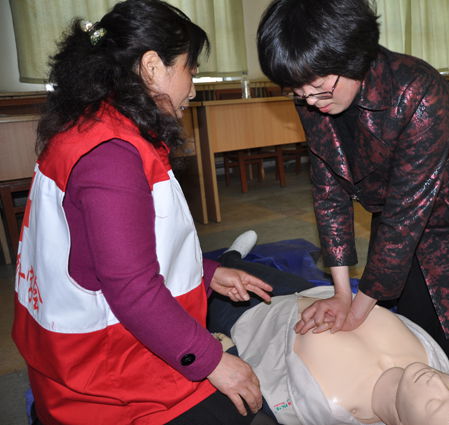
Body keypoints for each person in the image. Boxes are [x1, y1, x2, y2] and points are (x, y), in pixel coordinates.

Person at [11, 2, 292, 424]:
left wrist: (207, 273)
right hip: (105, 386)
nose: (192, 89)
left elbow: (104, 254)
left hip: (77, 362)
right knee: (252, 401)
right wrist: (213, 362)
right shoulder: (112, 156)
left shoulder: (90, 129)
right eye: (190, 69)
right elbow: (131, 288)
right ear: (152, 67)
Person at [256, 0, 449, 377]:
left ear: (352, 56)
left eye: (318, 88)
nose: (308, 101)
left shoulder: (418, 89)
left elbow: (406, 215)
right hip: (401, 213)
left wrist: (356, 312)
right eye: (296, 91)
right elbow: (329, 190)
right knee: (412, 336)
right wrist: (342, 293)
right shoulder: (313, 88)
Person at [230, 286, 449, 425]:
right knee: (234, 268)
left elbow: (267, 381)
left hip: (254, 318)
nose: (437, 382)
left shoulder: (328, 407)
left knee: (215, 278)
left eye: (433, 404)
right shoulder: (435, 359)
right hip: (316, 290)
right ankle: (234, 257)